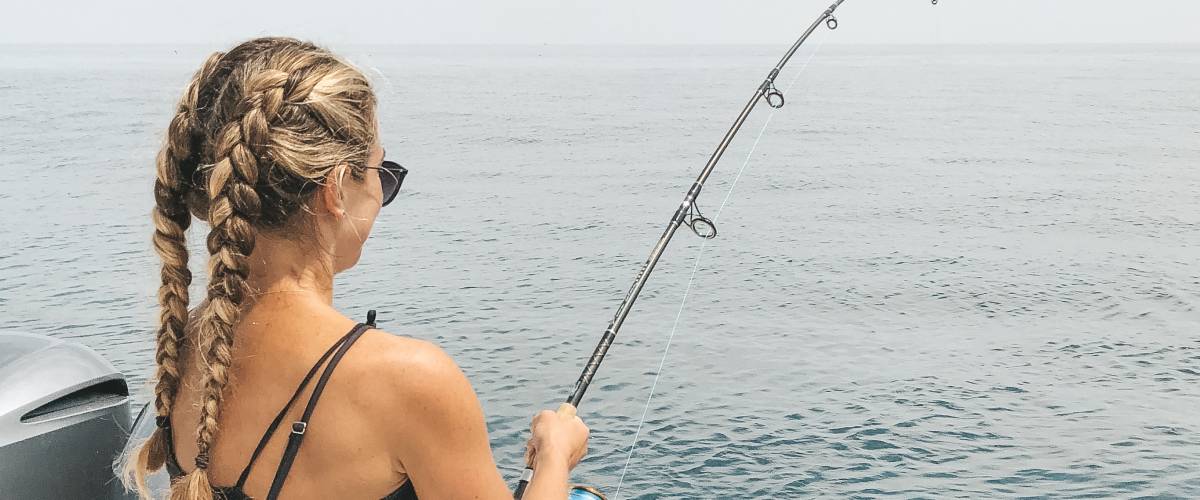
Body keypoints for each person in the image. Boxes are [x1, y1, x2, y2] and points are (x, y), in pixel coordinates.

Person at [123, 37, 589, 500]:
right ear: (337, 188)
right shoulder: (409, 379)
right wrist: (554, 456)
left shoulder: (187, 347)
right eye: (380, 173)